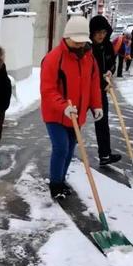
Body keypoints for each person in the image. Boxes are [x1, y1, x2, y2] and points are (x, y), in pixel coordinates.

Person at [40, 16, 103, 200]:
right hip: (56, 114)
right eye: (76, 41)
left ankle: (61, 179)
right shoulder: (53, 58)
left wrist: (96, 105)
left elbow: (93, 84)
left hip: (78, 114)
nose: (80, 44)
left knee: (70, 148)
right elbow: (47, 89)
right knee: (61, 147)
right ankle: (55, 184)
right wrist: (62, 107)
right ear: (67, 36)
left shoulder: (88, 58)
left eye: (83, 41)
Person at [89, 15, 122, 166]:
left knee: (102, 122)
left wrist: (110, 72)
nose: (101, 35)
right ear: (92, 33)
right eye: (97, 33)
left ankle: (105, 155)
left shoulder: (108, 46)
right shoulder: (87, 48)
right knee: (75, 122)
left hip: (100, 91)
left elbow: (112, 63)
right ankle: (68, 153)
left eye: (103, 32)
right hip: (85, 91)